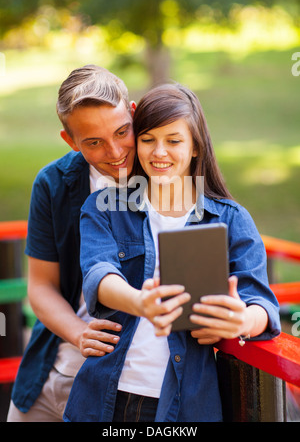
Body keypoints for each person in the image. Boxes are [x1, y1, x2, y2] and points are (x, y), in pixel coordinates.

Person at [63, 83, 281, 422]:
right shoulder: (103, 207)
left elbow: (263, 305)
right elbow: (98, 273)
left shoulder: (231, 219)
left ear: (195, 147)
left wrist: (242, 321)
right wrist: (140, 302)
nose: (159, 152)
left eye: (174, 141)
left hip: (185, 405)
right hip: (103, 397)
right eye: (148, 139)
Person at [7, 65, 137, 422]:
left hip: (122, 384)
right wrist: (79, 334)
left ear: (133, 113)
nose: (114, 152)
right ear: (70, 141)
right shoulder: (53, 183)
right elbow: (41, 286)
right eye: (93, 142)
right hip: (51, 369)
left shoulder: (164, 179)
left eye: (122, 132)